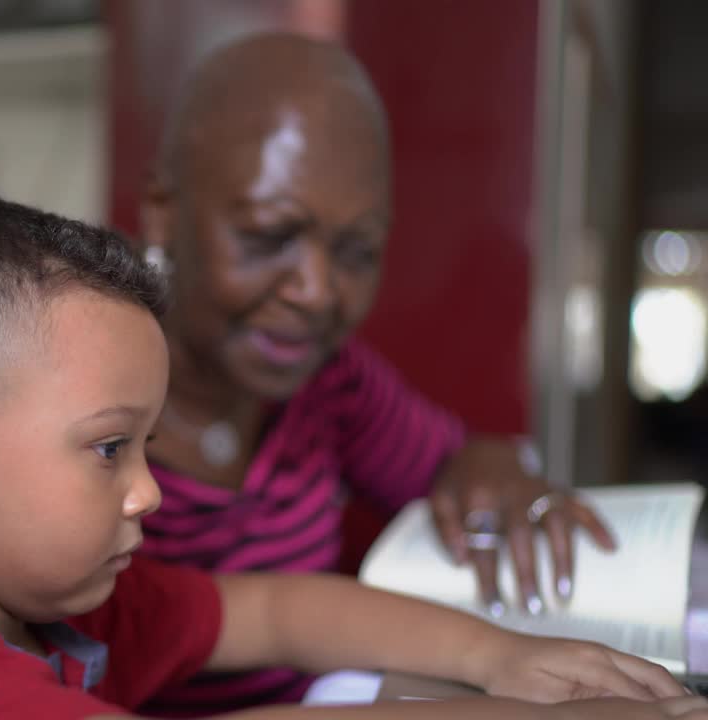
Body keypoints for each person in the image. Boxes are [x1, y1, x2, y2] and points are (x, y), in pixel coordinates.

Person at [0, 192, 700, 720]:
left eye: (146, 448)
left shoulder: (43, 586)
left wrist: (503, 659)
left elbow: (271, 608)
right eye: (110, 448)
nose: (149, 493)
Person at [134, 33, 617, 712]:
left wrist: (490, 470)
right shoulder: (77, 392)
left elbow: (457, 458)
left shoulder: (329, 382)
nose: (318, 291)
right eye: (269, 237)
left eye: (357, 252)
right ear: (163, 214)